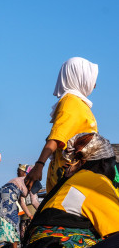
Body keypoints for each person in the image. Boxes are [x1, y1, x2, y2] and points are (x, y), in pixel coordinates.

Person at [19, 133, 119, 248]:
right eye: (113, 164)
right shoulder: (96, 181)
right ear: (104, 164)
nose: (115, 171)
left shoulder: (71, 183)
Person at [26, 57, 99, 192]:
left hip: (78, 175)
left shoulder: (78, 103)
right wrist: (39, 165)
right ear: (78, 77)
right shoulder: (71, 102)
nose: (94, 85)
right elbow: (56, 137)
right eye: (91, 78)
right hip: (69, 178)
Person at [0, 164, 41, 248]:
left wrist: (30, 215)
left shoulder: (22, 180)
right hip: (7, 197)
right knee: (14, 227)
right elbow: (34, 202)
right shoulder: (31, 181)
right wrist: (42, 212)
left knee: (10, 223)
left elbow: (22, 203)